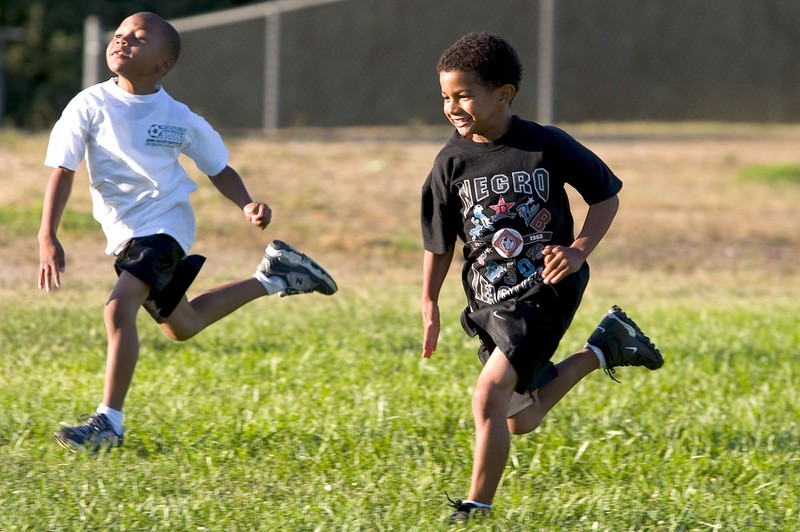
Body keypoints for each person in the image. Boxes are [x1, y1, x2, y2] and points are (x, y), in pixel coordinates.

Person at [38, 12, 337, 452]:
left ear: (164, 64)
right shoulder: (89, 104)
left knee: (117, 310)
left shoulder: (178, 117)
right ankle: (273, 276)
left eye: (138, 38)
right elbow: (63, 170)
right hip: (126, 237)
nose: (122, 41)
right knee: (183, 325)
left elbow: (218, 167)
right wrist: (47, 233)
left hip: (165, 229)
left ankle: (109, 423)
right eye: (119, 34)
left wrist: (246, 202)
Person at [419, 32, 664, 523]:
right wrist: (430, 301)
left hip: (545, 289)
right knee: (520, 417)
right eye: (446, 97)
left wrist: (577, 251)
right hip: (489, 301)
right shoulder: (451, 161)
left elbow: (605, 196)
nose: (452, 107)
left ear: (504, 94)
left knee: (488, 397)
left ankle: (475, 509)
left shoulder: (545, 144)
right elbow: (440, 241)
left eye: (464, 95)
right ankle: (604, 348)